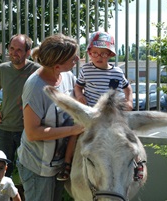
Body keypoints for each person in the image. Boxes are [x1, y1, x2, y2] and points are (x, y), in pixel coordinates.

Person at [56, 31, 133, 181]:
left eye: (103, 53)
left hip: (110, 114)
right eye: (95, 53)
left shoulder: (117, 72)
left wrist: (129, 101)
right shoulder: (86, 70)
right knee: (75, 133)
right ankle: (67, 164)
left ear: (110, 54)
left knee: (127, 135)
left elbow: (127, 88)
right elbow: (78, 87)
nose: (99, 56)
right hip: (89, 112)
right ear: (89, 53)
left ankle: (136, 164)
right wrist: (79, 95)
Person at [16, 34, 84, 201]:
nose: (77, 59)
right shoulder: (36, 87)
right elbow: (32, 133)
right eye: (72, 57)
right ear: (57, 66)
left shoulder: (66, 76)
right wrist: (73, 130)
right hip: (38, 167)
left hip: (58, 165)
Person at [0, 34, 40, 177]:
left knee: (29, 171)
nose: (13, 53)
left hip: (27, 131)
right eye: (11, 48)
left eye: (19, 50)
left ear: (28, 52)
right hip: (5, 129)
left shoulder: (37, 71)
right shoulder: (3, 70)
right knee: (2, 172)